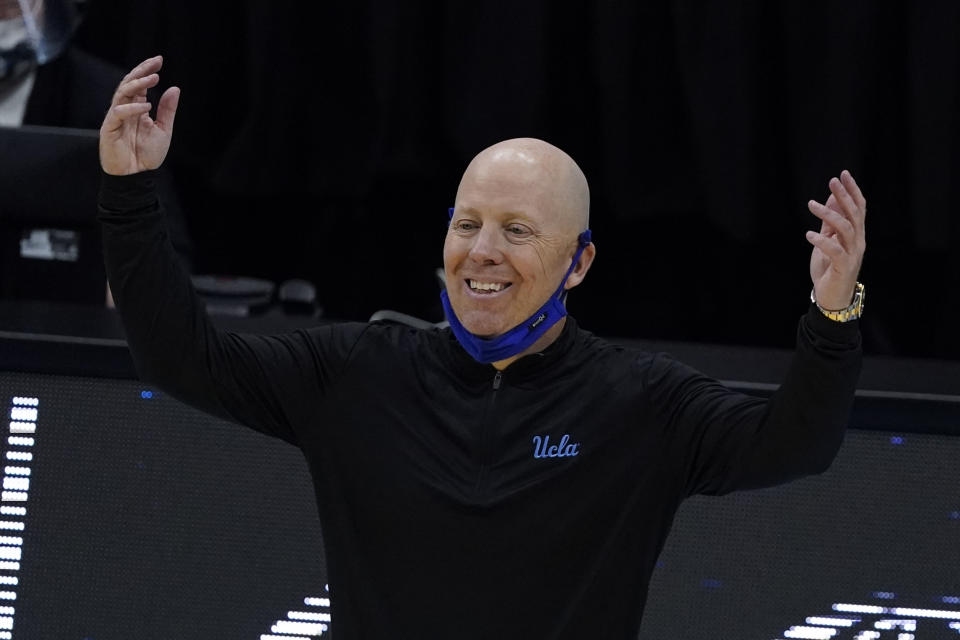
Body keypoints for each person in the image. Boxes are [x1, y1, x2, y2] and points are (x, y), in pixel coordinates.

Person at [98, 56, 866, 639]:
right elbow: (181, 360)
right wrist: (130, 196)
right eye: (467, 224)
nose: (483, 251)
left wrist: (833, 316)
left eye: (518, 231)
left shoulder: (641, 403)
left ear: (580, 262)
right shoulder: (360, 371)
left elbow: (795, 446)